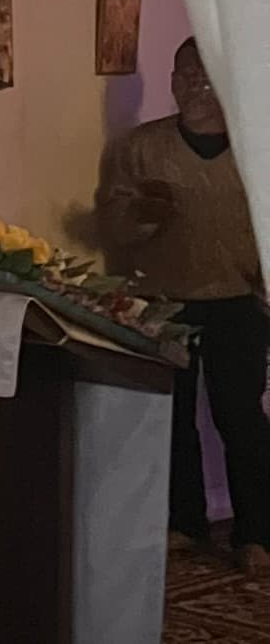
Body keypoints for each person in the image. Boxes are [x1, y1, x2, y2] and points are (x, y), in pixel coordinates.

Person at [98, 37, 270, 574]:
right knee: (169, 419)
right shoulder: (140, 148)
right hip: (164, 301)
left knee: (239, 417)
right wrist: (145, 215)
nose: (192, 87)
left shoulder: (255, 148)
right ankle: (184, 521)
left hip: (239, 302)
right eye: (182, 75)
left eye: (204, 77)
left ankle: (256, 533)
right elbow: (116, 226)